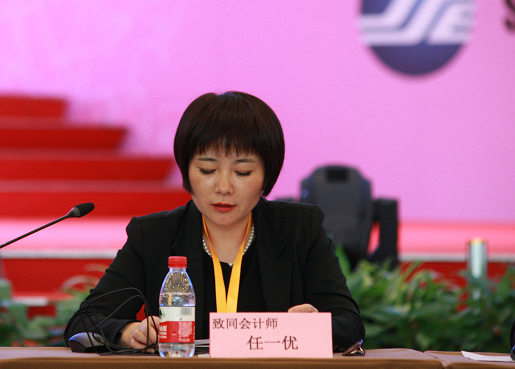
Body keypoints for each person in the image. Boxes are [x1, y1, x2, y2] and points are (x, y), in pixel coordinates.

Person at [64, 91, 365, 352]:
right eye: (207, 170)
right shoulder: (154, 235)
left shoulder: (299, 228)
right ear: (186, 169)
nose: (223, 187)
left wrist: (313, 327)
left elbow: (349, 323)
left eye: (242, 172)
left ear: (266, 175)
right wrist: (130, 332)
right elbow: (84, 322)